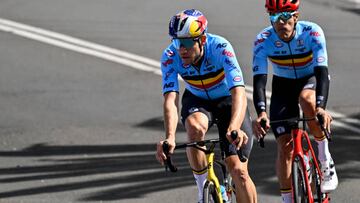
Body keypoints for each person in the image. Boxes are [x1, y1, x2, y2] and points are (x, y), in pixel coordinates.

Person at [155, 9, 257, 203]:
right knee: (193, 128)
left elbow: (238, 92)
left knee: (239, 172)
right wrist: (169, 137)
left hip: (228, 101)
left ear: (201, 40)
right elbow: (170, 99)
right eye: (176, 42)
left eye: (186, 42)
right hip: (198, 100)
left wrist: (234, 126)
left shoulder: (220, 48)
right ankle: (203, 190)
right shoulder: (170, 56)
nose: (181, 49)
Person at [252, 0, 338, 202]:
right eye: (274, 18)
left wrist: (321, 108)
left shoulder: (312, 32)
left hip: (311, 79)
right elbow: (259, 81)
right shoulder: (263, 40)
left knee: (307, 100)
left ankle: (325, 160)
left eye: (285, 17)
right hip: (283, 86)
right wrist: (261, 113)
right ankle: (288, 199)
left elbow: (322, 73)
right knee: (285, 148)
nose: (281, 23)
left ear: (296, 17)